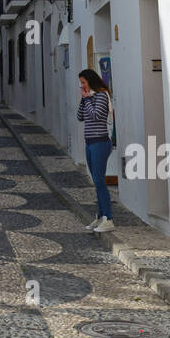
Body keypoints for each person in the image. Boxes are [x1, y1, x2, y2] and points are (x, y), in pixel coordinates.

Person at [76, 68, 115, 232]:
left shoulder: (101, 95)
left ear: (91, 81)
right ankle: (100, 217)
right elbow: (80, 117)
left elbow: (96, 115)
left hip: (100, 143)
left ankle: (109, 219)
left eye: (84, 83)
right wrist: (84, 99)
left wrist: (87, 99)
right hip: (90, 142)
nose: (82, 86)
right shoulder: (90, 97)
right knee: (96, 182)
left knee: (99, 181)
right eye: (81, 84)